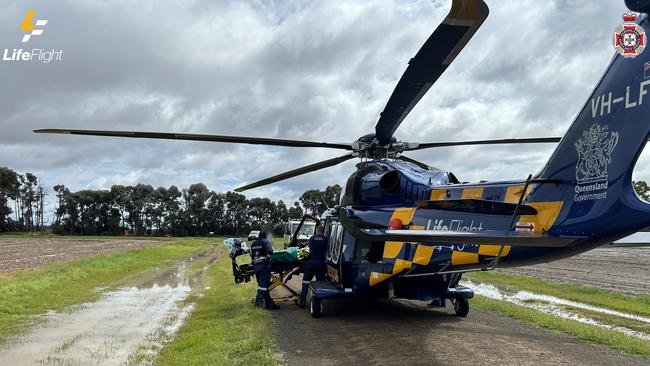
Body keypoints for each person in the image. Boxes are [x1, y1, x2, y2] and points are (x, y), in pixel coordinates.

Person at [298, 225, 328, 308]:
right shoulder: (325, 239)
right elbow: (326, 251)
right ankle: (318, 303)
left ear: (317, 230)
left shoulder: (312, 238)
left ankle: (302, 302)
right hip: (320, 263)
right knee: (320, 284)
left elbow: (308, 249)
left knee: (305, 283)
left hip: (310, 262)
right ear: (323, 231)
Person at [250, 230, 280, 310]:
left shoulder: (253, 243)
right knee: (263, 286)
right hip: (264, 266)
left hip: (256, 266)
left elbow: (252, 255)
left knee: (263, 286)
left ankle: (270, 305)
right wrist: (268, 259)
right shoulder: (265, 242)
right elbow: (270, 251)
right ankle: (258, 303)